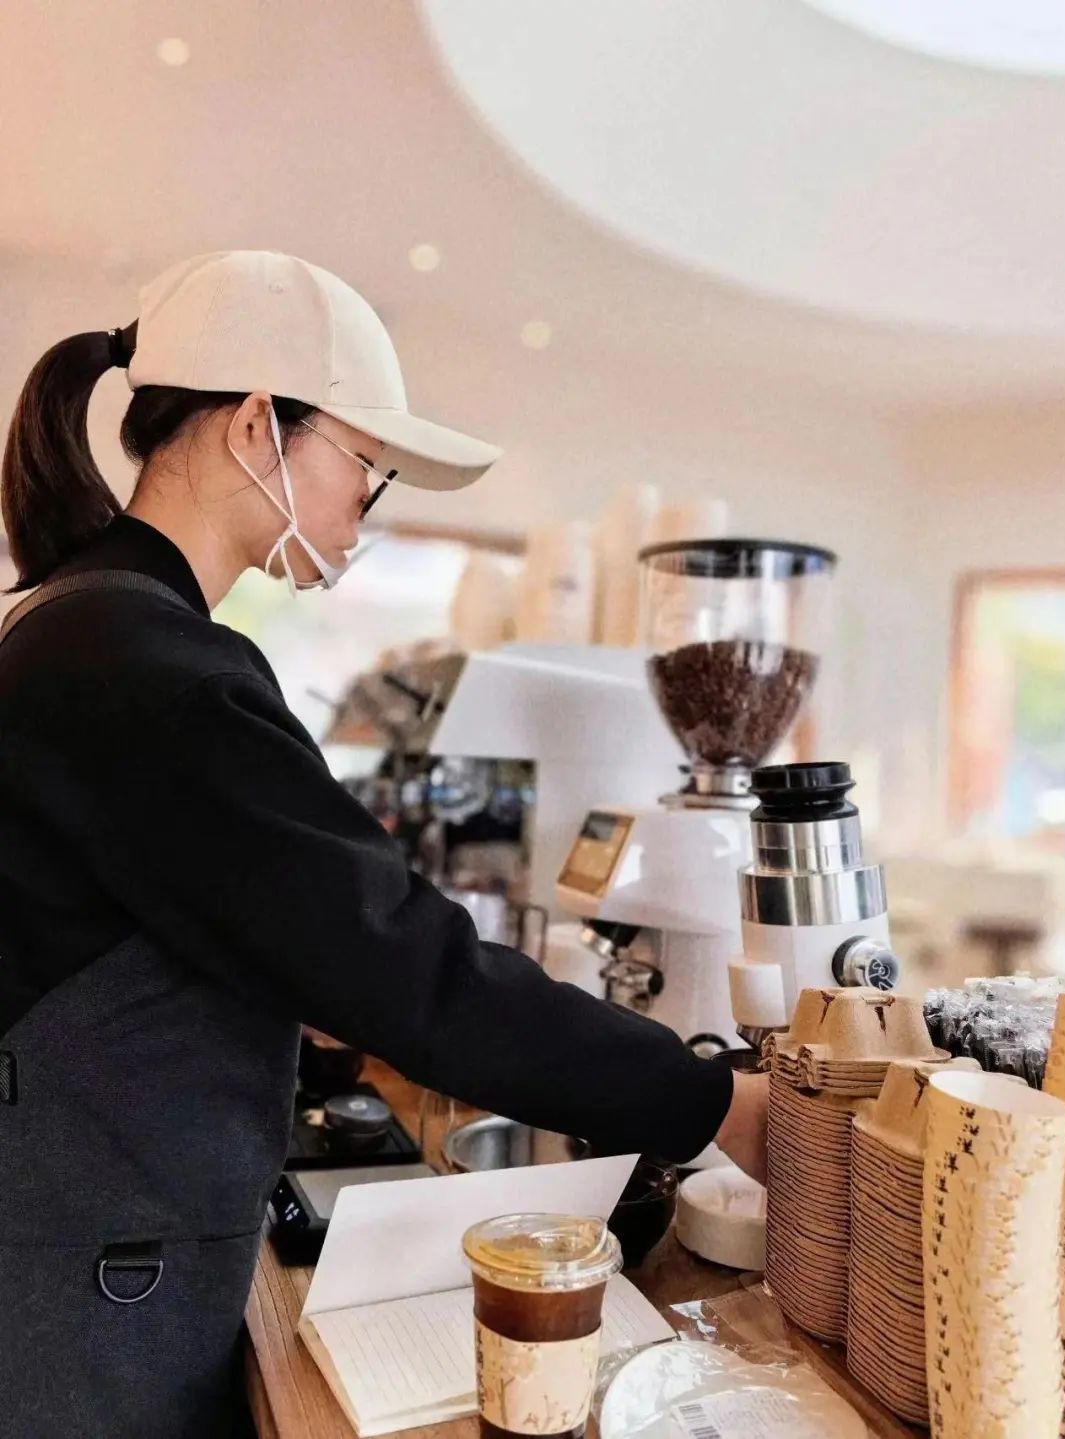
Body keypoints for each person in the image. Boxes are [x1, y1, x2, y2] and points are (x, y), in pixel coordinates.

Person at [0, 251, 767, 1437]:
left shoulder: (77, 619)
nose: (369, 500)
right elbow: (414, 965)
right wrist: (712, 1099)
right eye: (367, 461)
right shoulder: (154, 667)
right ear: (256, 424)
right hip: (83, 1281)